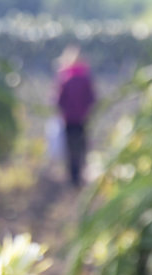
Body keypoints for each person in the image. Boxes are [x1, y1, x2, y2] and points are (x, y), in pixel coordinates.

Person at [54, 46, 96, 187]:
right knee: (81, 146)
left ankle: (73, 175)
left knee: (70, 147)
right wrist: (86, 111)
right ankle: (79, 173)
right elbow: (91, 98)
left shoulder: (65, 79)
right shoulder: (85, 79)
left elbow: (58, 100)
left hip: (68, 119)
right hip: (82, 119)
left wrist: (63, 110)